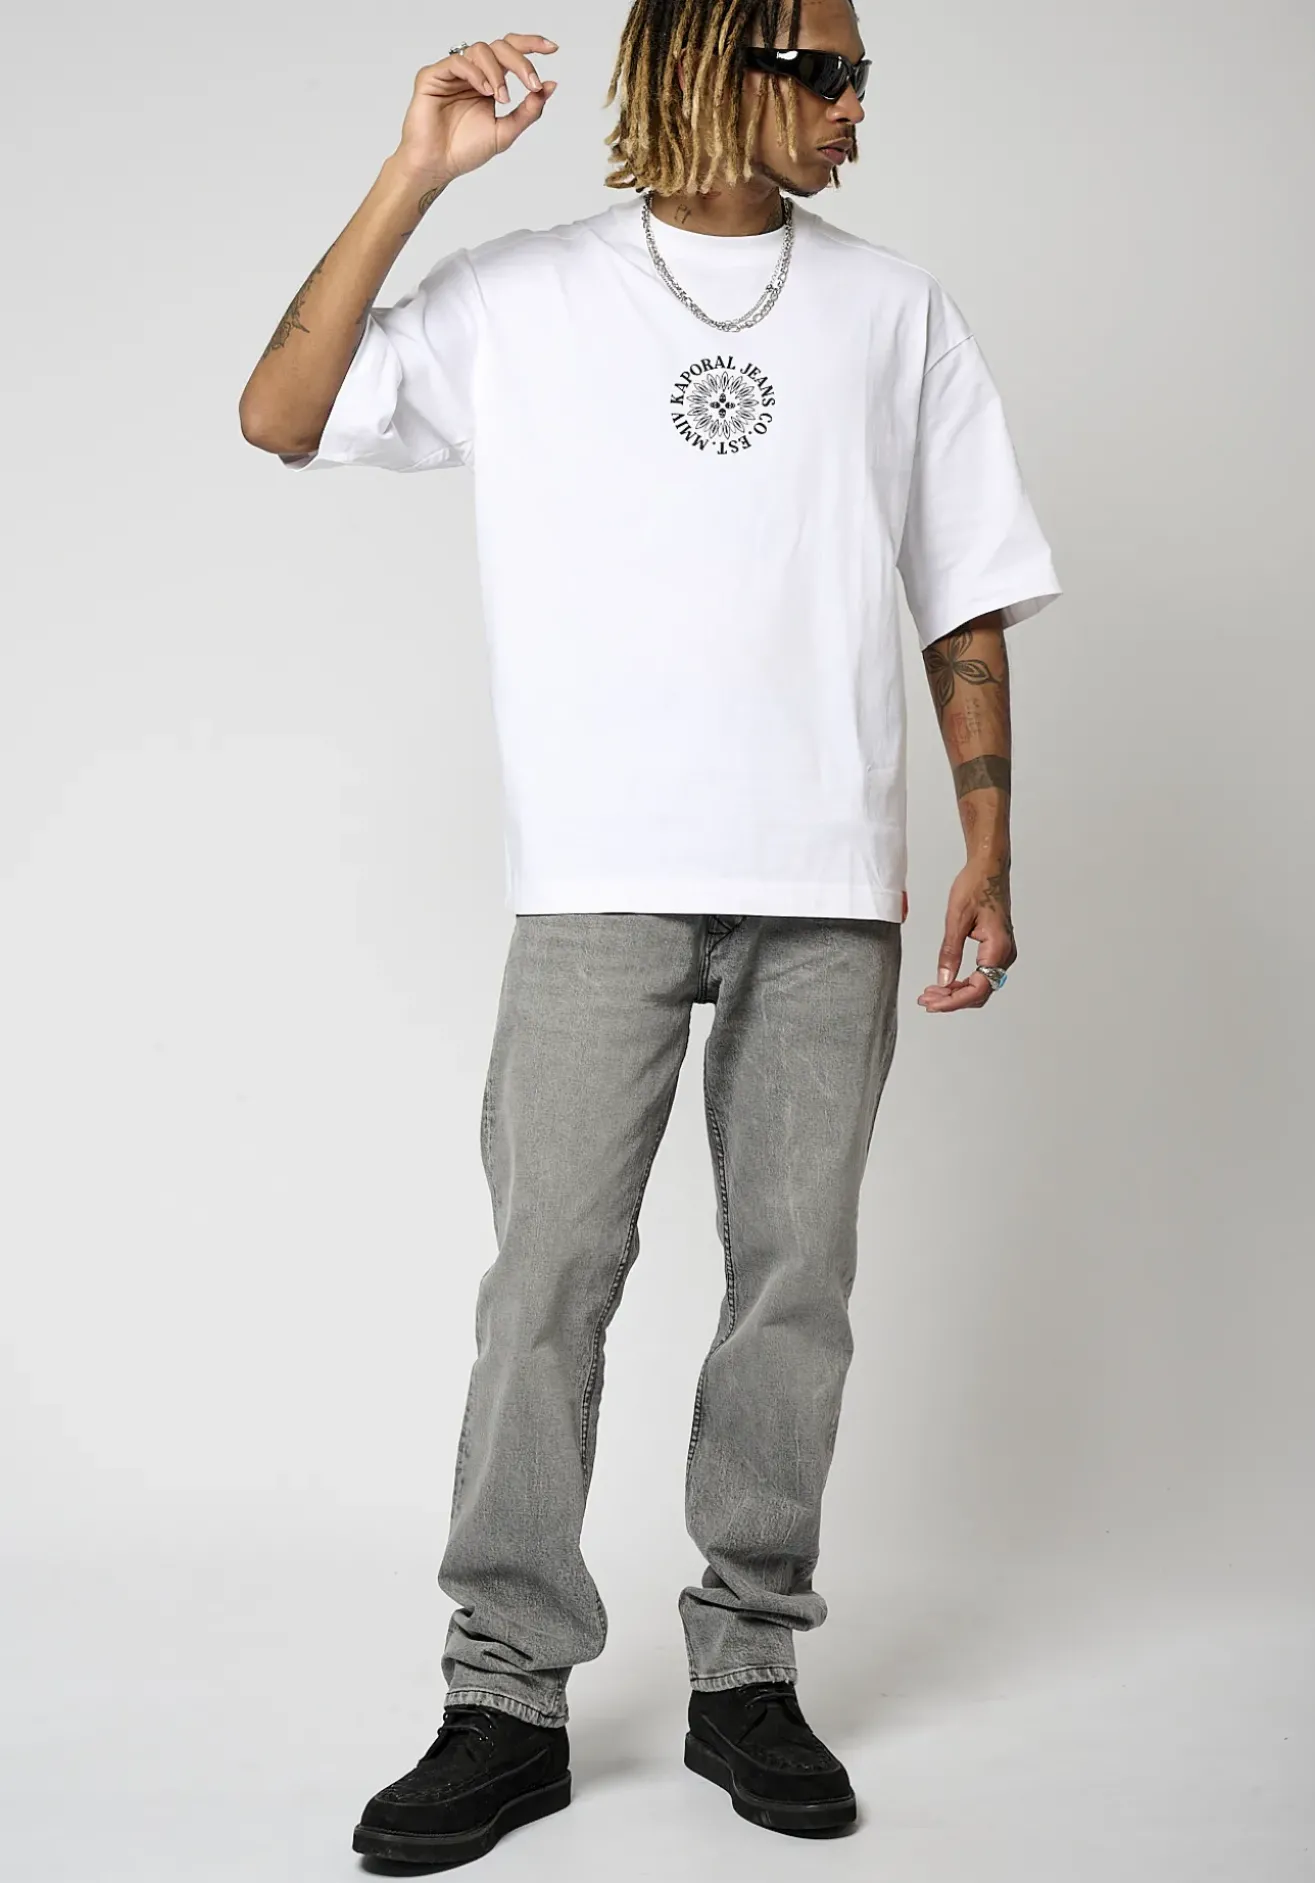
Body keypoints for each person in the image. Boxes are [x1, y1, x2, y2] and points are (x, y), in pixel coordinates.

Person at [239, 0, 1061, 1861]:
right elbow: (280, 415)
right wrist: (415, 173)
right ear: (711, 65)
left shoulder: (894, 312)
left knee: (794, 1287)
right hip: (596, 876)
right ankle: (502, 1694)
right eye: (823, 70)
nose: (854, 105)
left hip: (827, 887)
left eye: (859, 73)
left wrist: (988, 841)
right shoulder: (524, 292)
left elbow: (963, 593)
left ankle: (745, 1669)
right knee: (546, 1280)